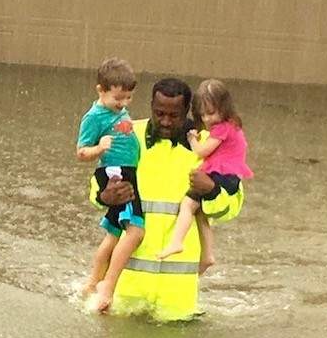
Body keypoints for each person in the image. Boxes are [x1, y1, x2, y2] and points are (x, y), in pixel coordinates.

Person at [98, 77, 245, 321]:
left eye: (174, 115)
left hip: (177, 301)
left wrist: (210, 190)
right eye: (159, 113)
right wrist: (104, 195)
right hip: (125, 294)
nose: (165, 121)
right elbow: (98, 182)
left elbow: (232, 206)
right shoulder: (127, 133)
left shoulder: (210, 144)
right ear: (150, 106)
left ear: (187, 111)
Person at [157, 79, 253, 269]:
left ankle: (177, 241)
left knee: (187, 204)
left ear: (224, 108)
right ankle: (207, 254)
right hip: (229, 174)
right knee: (200, 212)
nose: (207, 119)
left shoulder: (222, 128)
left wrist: (193, 139)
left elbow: (201, 151)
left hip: (222, 174)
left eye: (210, 113)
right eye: (202, 114)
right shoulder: (233, 125)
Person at [76, 57, 144, 312]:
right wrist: (99, 148)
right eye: (118, 99)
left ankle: (92, 282)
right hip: (116, 175)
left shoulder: (117, 110)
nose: (123, 104)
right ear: (100, 91)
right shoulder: (93, 117)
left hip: (127, 171)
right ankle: (107, 286)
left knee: (113, 233)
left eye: (128, 98)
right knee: (135, 231)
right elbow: (81, 152)